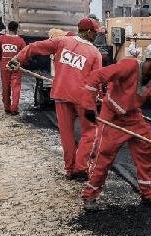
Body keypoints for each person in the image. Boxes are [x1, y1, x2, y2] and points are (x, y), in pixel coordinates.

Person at [80, 42, 151, 211]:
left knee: (148, 148)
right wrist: (88, 106)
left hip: (133, 116)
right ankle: (90, 194)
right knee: (103, 155)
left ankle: (148, 193)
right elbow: (96, 76)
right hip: (112, 116)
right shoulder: (129, 65)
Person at [9, 17, 102, 181]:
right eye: (96, 32)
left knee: (66, 134)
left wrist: (18, 58)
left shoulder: (62, 42)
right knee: (90, 132)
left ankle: (70, 169)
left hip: (61, 93)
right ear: (89, 32)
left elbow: (34, 47)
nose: (97, 36)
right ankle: (81, 168)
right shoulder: (94, 53)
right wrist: (99, 98)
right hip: (83, 98)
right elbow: (97, 79)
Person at [0, 21, 26, 115]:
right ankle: (14, 108)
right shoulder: (20, 41)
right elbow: (25, 54)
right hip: (16, 66)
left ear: (8, 28)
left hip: (4, 66)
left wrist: (0, 60)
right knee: (16, 87)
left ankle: (7, 107)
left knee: (5, 87)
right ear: (17, 29)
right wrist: (21, 63)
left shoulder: (1, 39)